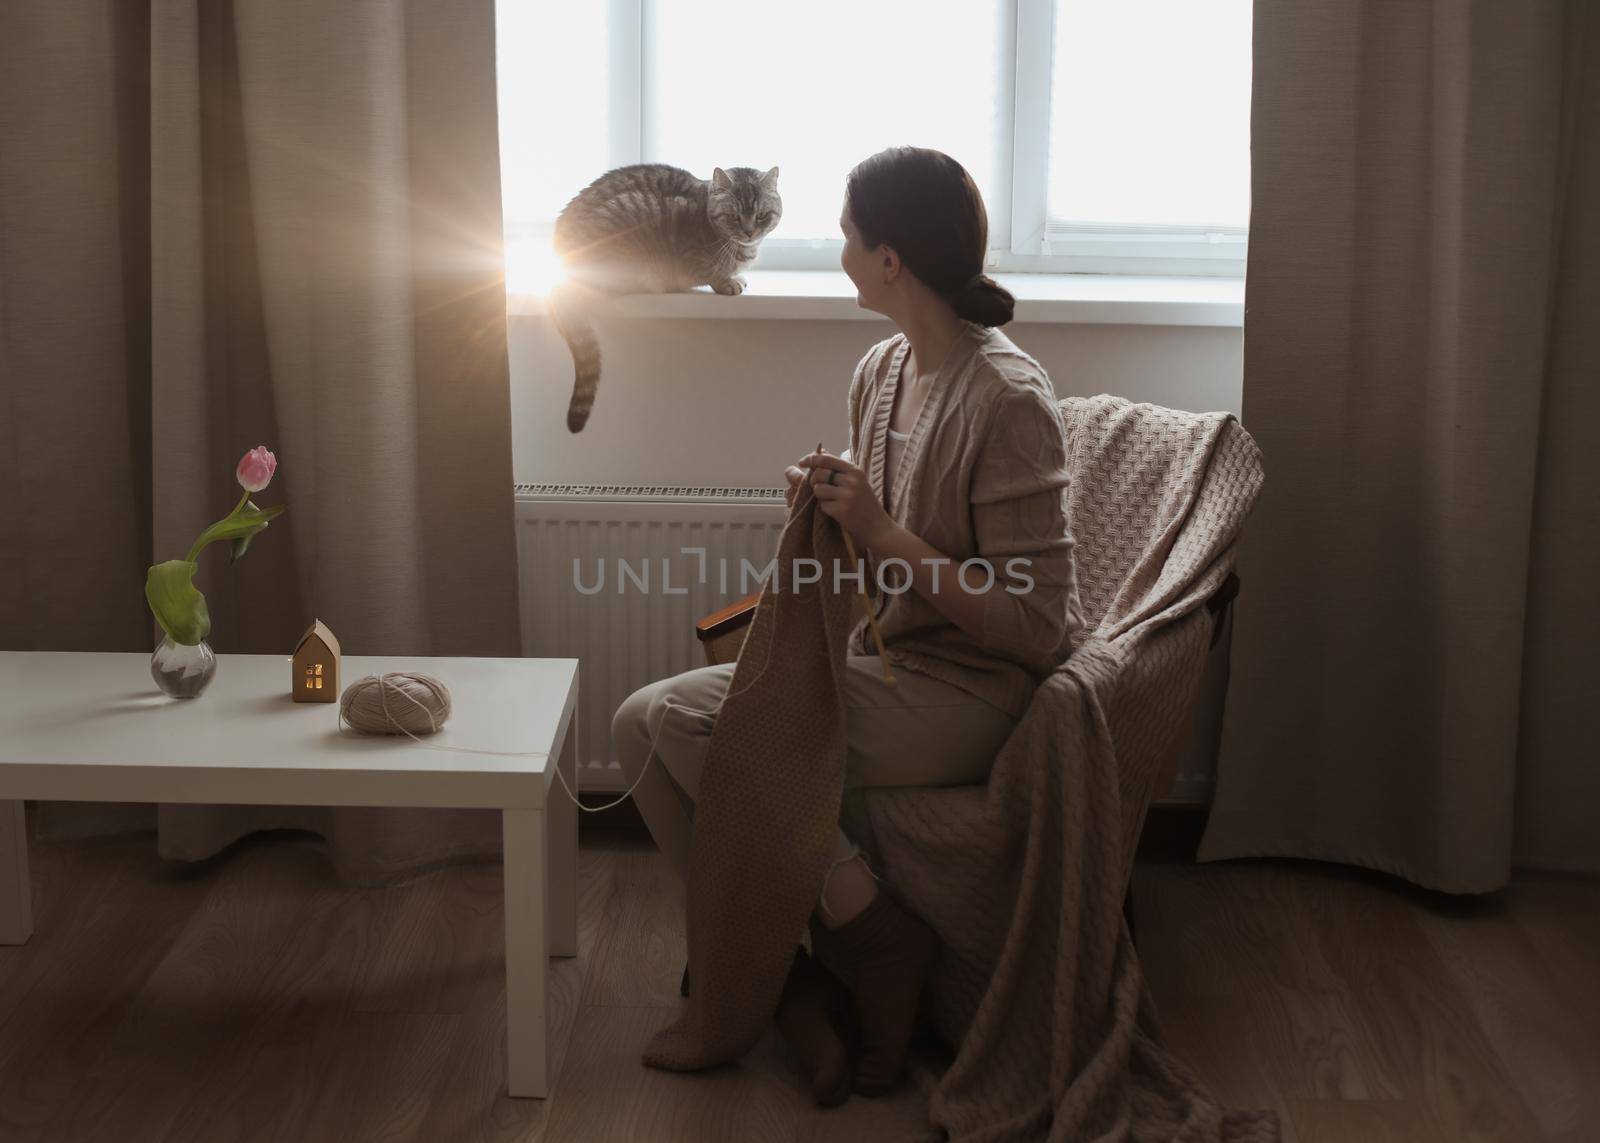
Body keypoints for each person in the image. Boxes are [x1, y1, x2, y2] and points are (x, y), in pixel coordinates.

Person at [611, 145, 1083, 1106]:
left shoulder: (1010, 401)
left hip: (967, 693)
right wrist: (834, 508)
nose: (837, 248)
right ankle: (799, 976)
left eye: (845, 234)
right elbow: (877, 554)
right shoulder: (881, 370)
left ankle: (865, 938)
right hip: (887, 662)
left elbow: (1035, 626)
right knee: (638, 725)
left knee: (686, 726)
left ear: (889, 259)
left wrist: (877, 525)